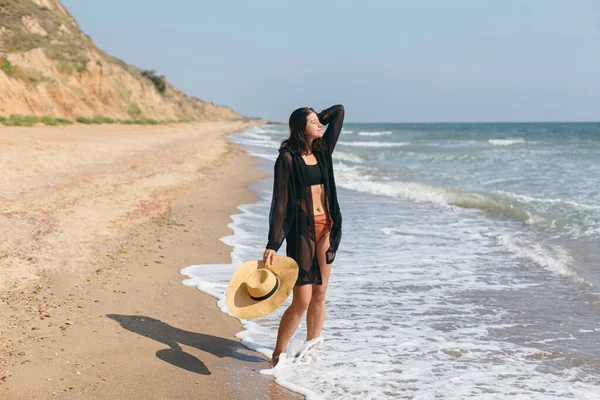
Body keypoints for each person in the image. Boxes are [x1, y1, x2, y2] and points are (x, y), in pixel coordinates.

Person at [262, 104, 345, 367]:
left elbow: (339, 112)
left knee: (321, 294)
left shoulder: (322, 150)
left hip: (327, 226)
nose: (320, 125)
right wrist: (273, 243)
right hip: (302, 231)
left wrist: (315, 118)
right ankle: (278, 354)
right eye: (313, 123)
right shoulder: (287, 159)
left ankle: (312, 349)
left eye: (319, 122)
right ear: (300, 129)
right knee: (302, 300)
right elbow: (281, 203)